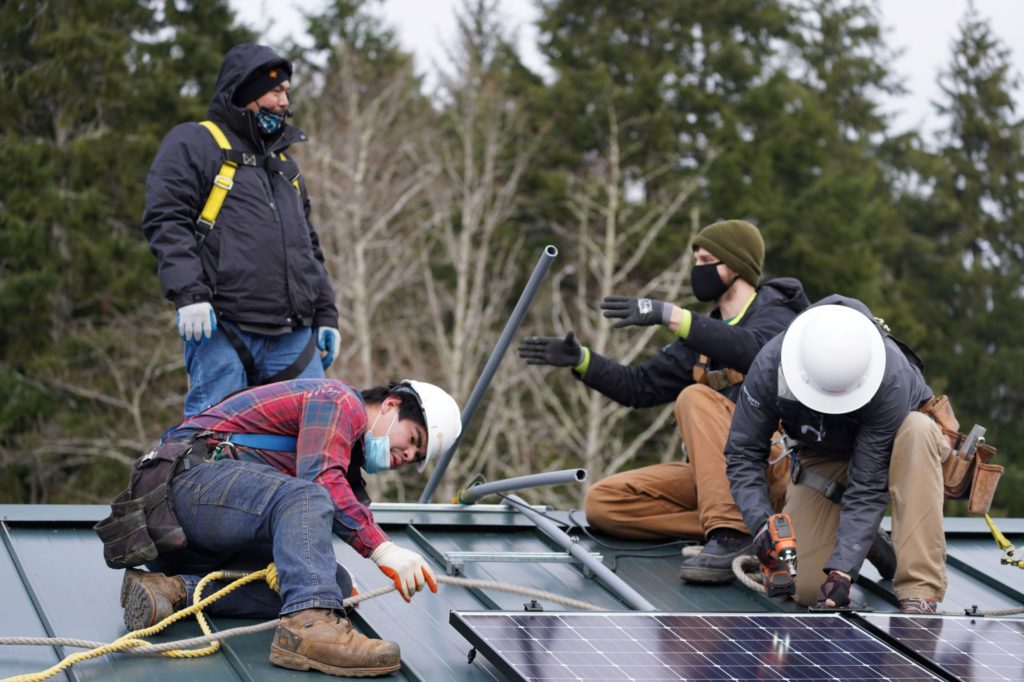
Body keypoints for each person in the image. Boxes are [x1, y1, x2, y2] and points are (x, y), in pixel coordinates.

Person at [518, 219, 809, 584]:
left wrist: (669, 315)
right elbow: (638, 387)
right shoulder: (700, 338)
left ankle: (732, 534)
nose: (697, 269)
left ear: (735, 265)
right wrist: (583, 361)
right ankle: (742, 525)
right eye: (696, 259)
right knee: (603, 503)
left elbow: (753, 351)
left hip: (770, 467)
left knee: (694, 398)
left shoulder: (777, 315)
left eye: (707, 259)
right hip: (720, 476)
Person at [118, 378, 462, 677]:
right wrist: (382, 548)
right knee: (309, 498)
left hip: (193, 541)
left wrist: (325, 577)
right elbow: (320, 478)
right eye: (413, 438)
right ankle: (311, 630)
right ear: (391, 404)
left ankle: (172, 591)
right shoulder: (339, 400)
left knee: (335, 587)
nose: (407, 455)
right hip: (182, 490)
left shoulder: (349, 469)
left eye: (416, 457)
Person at [142, 43, 340, 417]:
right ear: (246, 92)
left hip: (293, 336)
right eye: (275, 91)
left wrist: (326, 315)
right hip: (223, 327)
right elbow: (166, 219)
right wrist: (189, 295)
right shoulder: (195, 144)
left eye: (287, 92)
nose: (285, 102)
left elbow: (309, 249)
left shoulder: (285, 168)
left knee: (318, 434)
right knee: (218, 443)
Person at [725, 296, 948, 614]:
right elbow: (743, 452)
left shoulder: (891, 377)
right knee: (805, 588)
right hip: (824, 451)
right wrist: (761, 523)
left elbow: (867, 487)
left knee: (918, 430)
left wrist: (842, 573)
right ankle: (867, 538)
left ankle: (919, 588)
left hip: (898, 451)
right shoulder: (771, 365)